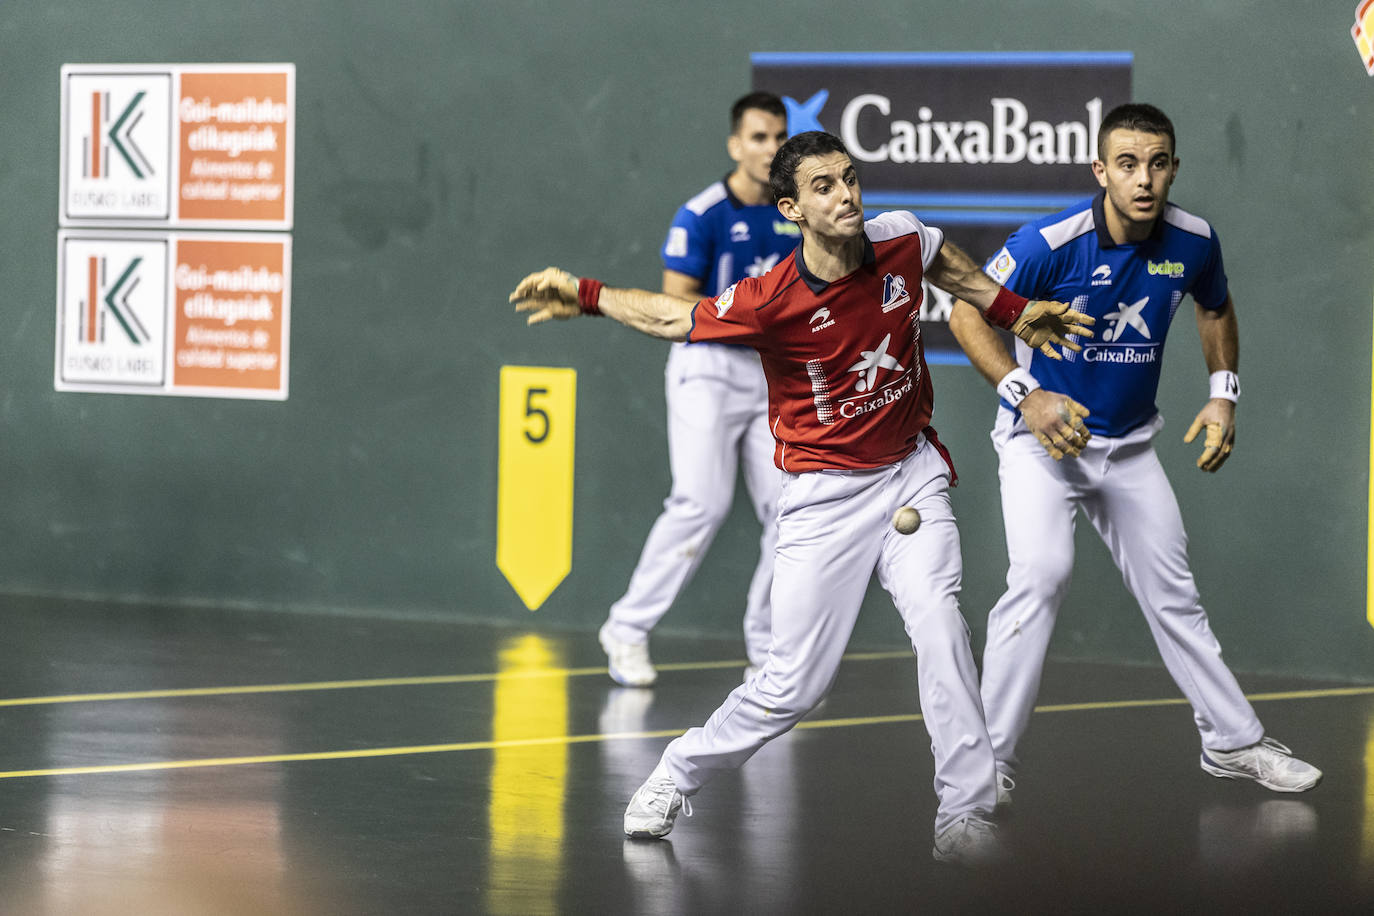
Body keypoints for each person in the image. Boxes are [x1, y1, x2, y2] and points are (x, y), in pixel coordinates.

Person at [511, 130, 1093, 865]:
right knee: (793, 685)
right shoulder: (768, 300)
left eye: (850, 179)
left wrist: (1010, 308)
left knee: (940, 624)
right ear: (792, 207)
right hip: (822, 498)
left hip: (912, 472)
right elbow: (671, 318)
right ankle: (678, 771)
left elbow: (941, 256)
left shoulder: (897, 237)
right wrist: (589, 296)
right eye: (824, 187)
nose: (846, 195)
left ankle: (964, 811)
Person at [947, 103, 1321, 810]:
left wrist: (1223, 394)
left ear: (1174, 167)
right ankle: (985, 765)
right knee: (1041, 575)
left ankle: (1231, 741)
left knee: (1173, 594)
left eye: (1157, 163)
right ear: (1100, 170)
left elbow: (1214, 305)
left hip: (1130, 446)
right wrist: (1027, 395)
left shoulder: (1195, 239)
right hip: (1040, 444)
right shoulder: (1047, 244)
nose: (1143, 179)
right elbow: (968, 312)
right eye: (1127, 163)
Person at [598, 92, 795, 688]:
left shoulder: (797, 213)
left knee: (789, 513)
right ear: (736, 145)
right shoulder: (703, 213)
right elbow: (673, 301)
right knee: (700, 503)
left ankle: (766, 650)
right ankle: (627, 629)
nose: (771, 149)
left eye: (780, 137)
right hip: (705, 367)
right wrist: (745, 318)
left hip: (770, 377)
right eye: (759, 138)